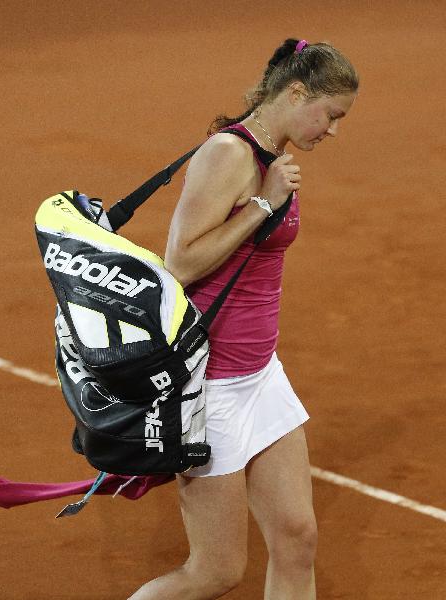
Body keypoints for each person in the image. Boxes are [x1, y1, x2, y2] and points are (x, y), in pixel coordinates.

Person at [129, 38, 359, 600]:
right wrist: (263, 204)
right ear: (297, 92)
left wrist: (267, 195)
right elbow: (179, 264)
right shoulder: (229, 156)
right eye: (330, 115)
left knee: (297, 537)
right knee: (216, 571)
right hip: (211, 387)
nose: (333, 130)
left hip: (258, 374)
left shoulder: (269, 158)